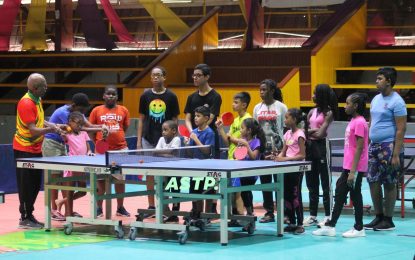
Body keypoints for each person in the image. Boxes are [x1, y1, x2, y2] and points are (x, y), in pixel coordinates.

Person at [313, 93, 369, 238]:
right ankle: (331, 226)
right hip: (348, 166)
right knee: (339, 193)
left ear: (355, 106)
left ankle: (359, 228)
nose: (345, 106)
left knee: (355, 195)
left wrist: (352, 172)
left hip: (354, 168)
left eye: (348, 103)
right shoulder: (353, 120)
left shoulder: (360, 122)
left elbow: (359, 147)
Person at [13, 73, 62, 229]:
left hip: (35, 149)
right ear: (35, 88)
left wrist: (52, 125)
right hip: (24, 149)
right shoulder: (26, 103)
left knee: (34, 185)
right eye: (44, 86)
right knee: (26, 185)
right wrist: (51, 130)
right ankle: (24, 218)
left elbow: (38, 120)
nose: (46, 88)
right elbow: (33, 130)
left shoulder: (37, 99)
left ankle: (29, 215)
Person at [42, 93, 98, 221]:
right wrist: (100, 129)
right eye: (82, 110)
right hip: (52, 144)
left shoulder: (77, 113)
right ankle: (54, 210)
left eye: (85, 111)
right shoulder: (63, 113)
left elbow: (89, 126)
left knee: (65, 181)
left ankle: (68, 210)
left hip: (62, 145)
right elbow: (83, 128)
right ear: (74, 106)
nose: (83, 113)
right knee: (55, 178)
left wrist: (104, 128)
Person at [364, 67, 406, 231]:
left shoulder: (397, 101)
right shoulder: (375, 99)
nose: (376, 81)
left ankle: (388, 220)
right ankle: (378, 216)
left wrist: (395, 153)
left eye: (379, 78)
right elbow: (371, 122)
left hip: (389, 146)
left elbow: (401, 128)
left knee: (389, 183)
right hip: (374, 146)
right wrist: (368, 142)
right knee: (373, 181)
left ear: (389, 81)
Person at [137, 66, 180, 217]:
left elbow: (175, 120)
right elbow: (141, 120)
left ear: (164, 77)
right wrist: (138, 142)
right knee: (149, 173)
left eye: (158, 75)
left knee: (167, 174)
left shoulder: (171, 96)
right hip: (148, 139)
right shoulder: (145, 96)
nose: (155, 78)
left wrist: (176, 140)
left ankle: (166, 206)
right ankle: (151, 206)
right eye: (153, 76)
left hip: (167, 141)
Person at [184, 63, 222, 214]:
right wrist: (191, 134)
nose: (195, 78)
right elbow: (187, 118)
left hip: (209, 140)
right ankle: (196, 210)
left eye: (198, 75)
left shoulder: (215, 96)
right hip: (195, 142)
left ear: (207, 77)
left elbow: (210, 119)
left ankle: (210, 209)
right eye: (194, 75)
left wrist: (196, 134)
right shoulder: (191, 97)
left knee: (210, 179)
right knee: (195, 179)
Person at [89, 85, 131, 217]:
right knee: (100, 180)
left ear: (117, 97)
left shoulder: (123, 110)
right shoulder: (96, 110)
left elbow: (125, 127)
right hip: (101, 152)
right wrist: (97, 143)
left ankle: (120, 207)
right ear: (103, 96)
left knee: (119, 179)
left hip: (120, 151)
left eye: (114, 94)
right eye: (108, 94)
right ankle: (99, 208)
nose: (111, 96)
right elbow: (91, 130)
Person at [253, 79, 288, 223]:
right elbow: (255, 129)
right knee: (265, 181)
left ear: (272, 91)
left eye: (264, 89)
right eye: (260, 90)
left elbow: (286, 128)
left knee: (280, 181)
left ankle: (284, 212)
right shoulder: (257, 108)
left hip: (279, 149)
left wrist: (284, 150)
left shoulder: (281, 107)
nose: (261, 92)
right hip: (263, 150)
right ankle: (269, 212)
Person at [303, 84, 338, 227]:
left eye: (315, 94)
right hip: (310, 147)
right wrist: (311, 131)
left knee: (325, 184)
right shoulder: (311, 111)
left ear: (322, 96)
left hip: (322, 147)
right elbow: (303, 131)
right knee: (311, 183)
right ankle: (312, 215)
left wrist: (310, 131)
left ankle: (328, 215)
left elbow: (320, 133)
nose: (312, 96)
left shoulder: (329, 113)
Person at [216, 92, 252, 224]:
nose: (233, 104)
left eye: (236, 102)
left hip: (242, 161)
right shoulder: (235, 121)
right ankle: (233, 218)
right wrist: (220, 129)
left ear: (244, 104)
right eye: (233, 102)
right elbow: (227, 142)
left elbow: (246, 141)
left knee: (238, 192)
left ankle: (242, 218)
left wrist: (232, 138)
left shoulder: (248, 120)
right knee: (230, 191)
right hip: (231, 158)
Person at [274, 108, 306, 235]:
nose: (285, 120)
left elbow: (302, 155)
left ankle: (300, 223)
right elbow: (284, 150)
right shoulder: (287, 134)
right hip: (286, 168)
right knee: (287, 195)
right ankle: (292, 222)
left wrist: (286, 159)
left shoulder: (300, 134)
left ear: (294, 120)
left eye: (287, 117)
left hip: (297, 169)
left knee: (295, 195)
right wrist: (279, 157)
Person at [60, 111, 95, 218]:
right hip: (71, 166)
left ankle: (61, 201)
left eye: (81, 124)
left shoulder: (84, 134)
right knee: (69, 191)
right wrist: (64, 131)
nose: (79, 126)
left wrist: (89, 152)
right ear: (70, 123)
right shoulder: (68, 135)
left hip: (81, 166)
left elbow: (88, 147)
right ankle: (68, 214)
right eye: (77, 123)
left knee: (83, 191)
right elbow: (64, 137)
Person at [185, 106, 215, 225]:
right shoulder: (194, 132)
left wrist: (195, 139)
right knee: (195, 192)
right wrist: (187, 144)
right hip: (195, 167)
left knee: (207, 192)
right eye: (195, 116)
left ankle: (207, 216)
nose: (195, 118)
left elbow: (207, 151)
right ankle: (197, 214)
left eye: (198, 116)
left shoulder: (209, 132)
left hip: (207, 168)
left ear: (206, 118)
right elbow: (190, 152)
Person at [234, 118, 266, 220]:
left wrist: (247, 145)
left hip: (251, 173)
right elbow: (237, 156)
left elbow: (253, 157)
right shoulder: (243, 141)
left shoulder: (256, 142)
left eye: (242, 128)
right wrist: (239, 147)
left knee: (246, 192)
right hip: (241, 172)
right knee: (243, 192)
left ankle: (250, 214)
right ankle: (249, 214)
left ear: (249, 130)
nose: (240, 130)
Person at [155, 120, 182, 223]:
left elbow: (173, 152)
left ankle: (175, 214)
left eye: (165, 130)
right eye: (162, 130)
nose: (163, 132)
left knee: (175, 192)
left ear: (174, 130)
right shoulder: (161, 139)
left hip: (175, 171)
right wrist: (167, 155)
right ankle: (166, 212)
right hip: (162, 171)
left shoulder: (177, 139)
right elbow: (155, 151)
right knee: (162, 191)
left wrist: (161, 154)